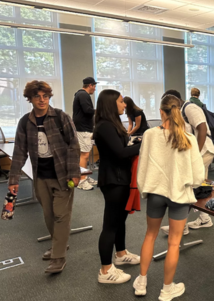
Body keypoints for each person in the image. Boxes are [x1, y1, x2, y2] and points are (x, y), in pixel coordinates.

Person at [133, 94, 204, 300]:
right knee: (174, 243)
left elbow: (143, 166)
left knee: (150, 236)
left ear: (161, 112)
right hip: (180, 195)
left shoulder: (149, 135)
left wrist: (144, 188)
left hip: (155, 192)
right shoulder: (189, 138)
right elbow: (199, 176)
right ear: (179, 112)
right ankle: (166, 290)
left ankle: (142, 282)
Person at [8, 80, 81, 274]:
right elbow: (19, 152)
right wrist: (13, 179)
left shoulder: (60, 117)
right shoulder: (25, 122)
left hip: (63, 175)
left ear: (49, 97)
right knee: (48, 215)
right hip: (40, 176)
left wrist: (75, 173)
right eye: (37, 97)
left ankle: (58, 257)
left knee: (61, 216)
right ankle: (60, 244)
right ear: (29, 99)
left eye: (45, 96)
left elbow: (74, 145)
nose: (42, 100)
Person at [94, 89, 142, 284]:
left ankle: (120, 254)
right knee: (110, 225)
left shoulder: (113, 124)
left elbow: (121, 148)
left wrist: (135, 142)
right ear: (111, 104)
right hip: (114, 180)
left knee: (120, 220)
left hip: (120, 178)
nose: (124, 105)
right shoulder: (105, 126)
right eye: (121, 102)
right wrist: (144, 143)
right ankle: (105, 271)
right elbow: (121, 153)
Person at [159, 90, 214, 235]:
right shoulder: (181, 110)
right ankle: (204, 218)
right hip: (196, 153)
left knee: (187, 185)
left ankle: (181, 226)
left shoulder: (190, 108)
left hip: (203, 152)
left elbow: (202, 129)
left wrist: (195, 156)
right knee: (194, 186)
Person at [72, 77, 97, 191]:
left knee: (85, 154)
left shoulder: (82, 94)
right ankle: (82, 180)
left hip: (85, 128)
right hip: (83, 129)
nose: (95, 89)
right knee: (84, 155)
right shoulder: (83, 94)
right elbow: (88, 110)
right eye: (94, 86)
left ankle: (85, 176)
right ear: (90, 85)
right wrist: (100, 110)